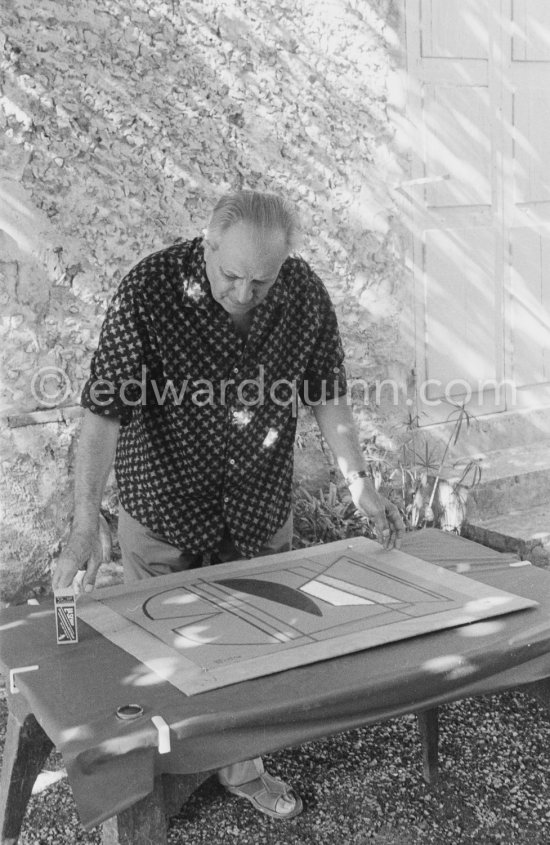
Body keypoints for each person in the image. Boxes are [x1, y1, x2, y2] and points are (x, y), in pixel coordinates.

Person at [53, 189, 404, 820]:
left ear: (284, 266)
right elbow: (103, 411)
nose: (243, 293)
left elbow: (327, 395)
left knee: (256, 652)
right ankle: (161, 774)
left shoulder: (304, 294)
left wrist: (361, 484)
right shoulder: (151, 290)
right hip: (164, 503)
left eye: (260, 282)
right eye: (231, 276)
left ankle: (243, 768)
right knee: (162, 654)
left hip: (257, 504)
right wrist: (85, 524)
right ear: (208, 244)